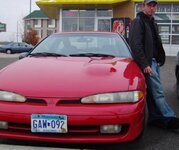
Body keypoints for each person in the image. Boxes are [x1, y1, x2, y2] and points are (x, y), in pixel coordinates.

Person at [129, 0, 179, 130]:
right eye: (149, 5)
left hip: (154, 62)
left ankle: (154, 118)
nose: (152, 8)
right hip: (147, 63)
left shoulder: (152, 22)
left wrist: (160, 58)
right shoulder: (138, 22)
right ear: (143, 6)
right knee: (158, 92)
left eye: (154, 6)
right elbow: (135, 45)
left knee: (152, 93)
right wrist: (145, 64)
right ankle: (170, 117)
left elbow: (155, 42)